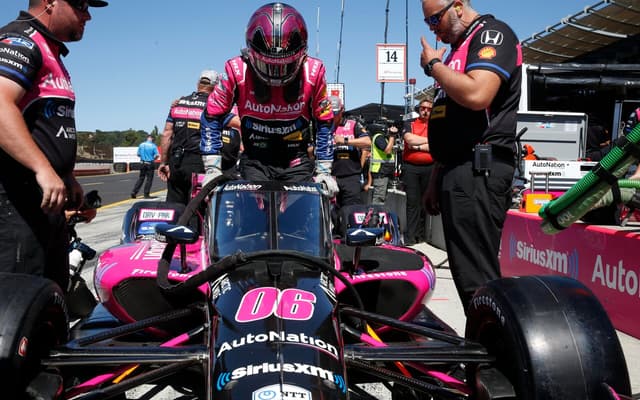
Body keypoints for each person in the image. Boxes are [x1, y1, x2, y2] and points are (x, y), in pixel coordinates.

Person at [420, 0, 522, 313]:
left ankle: (493, 360)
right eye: (429, 24)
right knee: (469, 280)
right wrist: (436, 176)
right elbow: (452, 121)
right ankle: (481, 353)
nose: (434, 29)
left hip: (479, 169)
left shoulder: (492, 34)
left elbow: (478, 95)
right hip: (457, 168)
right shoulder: (458, 50)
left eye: (436, 19)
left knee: (478, 279)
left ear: (460, 6)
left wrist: (433, 66)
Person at [0, 0, 107, 291]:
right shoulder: (21, 41)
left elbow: (46, 125)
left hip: (47, 202)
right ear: (50, 2)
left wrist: (66, 175)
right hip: (15, 203)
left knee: (52, 298)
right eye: (82, 5)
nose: (88, 15)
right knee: (20, 305)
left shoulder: (52, 52)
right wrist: (42, 168)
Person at [199, 2, 337, 197]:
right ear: (250, 53)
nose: (276, 75)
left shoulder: (313, 72)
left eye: (285, 66)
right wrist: (212, 168)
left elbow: (325, 121)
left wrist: (324, 172)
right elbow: (211, 116)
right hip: (256, 161)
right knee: (253, 221)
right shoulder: (236, 71)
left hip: (295, 161)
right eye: (268, 66)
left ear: (302, 55)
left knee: (300, 221)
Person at [158, 70, 241, 204]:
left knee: (174, 205)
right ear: (216, 87)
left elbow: (167, 133)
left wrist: (164, 162)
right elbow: (237, 126)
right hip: (200, 162)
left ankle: (175, 225)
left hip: (177, 162)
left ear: (198, 84)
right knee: (197, 207)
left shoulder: (179, 103)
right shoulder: (215, 106)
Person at [402, 98, 435, 245]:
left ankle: (421, 235)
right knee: (412, 202)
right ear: (419, 109)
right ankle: (410, 236)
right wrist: (428, 141)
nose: (425, 111)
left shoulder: (436, 125)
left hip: (429, 168)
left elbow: (436, 145)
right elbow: (409, 139)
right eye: (423, 108)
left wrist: (418, 146)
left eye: (428, 108)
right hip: (411, 168)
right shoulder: (409, 124)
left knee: (424, 202)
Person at [330, 95, 371, 208]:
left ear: (342, 110)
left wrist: (345, 141)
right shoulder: (324, 125)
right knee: (331, 214)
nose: (333, 116)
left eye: (336, 113)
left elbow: (368, 142)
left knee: (351, 211)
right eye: (330, 113)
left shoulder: (352, 124)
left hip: (351, 177)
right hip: (330, 176)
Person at [367, 121, 397, 205]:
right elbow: (387, 150)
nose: (388, 129)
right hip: (381, 172)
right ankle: (375, 216)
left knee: (383, 198)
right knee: (379, 199)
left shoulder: (382, 138)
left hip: (384, 171)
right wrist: (392, 136)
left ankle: (380, 215)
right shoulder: (378, 137)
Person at [131, 135, 159, 199]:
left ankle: (134, 192)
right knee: (149, 179)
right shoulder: (153, 146)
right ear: (152, 138)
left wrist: (143, 156)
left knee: (141, 178)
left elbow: (138, 154)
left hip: (142, 163)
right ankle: (146, 194)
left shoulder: (141, 144)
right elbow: (157, 155)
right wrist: (153, 158)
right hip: (149, 163)